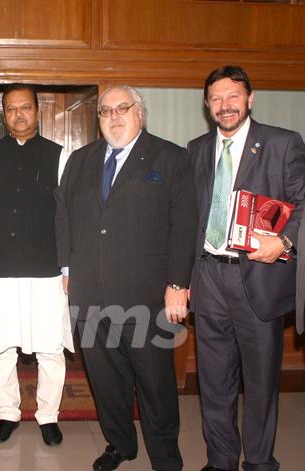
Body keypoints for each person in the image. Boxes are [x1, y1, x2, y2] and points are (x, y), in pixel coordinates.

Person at [55, 85, 197, 471]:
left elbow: (183, 226)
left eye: (123, 108)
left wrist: (177, 284)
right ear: (97, 118)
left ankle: (166, 457)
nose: (114, 116)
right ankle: (120, 443)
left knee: (155, 384)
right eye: (105, 110)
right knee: (106, 382)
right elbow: (63, 215)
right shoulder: (80, 160)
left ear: (141, 113)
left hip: (147, 296)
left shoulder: (170, 158)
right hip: (89, 294)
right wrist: (67, 270)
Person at [188, 65, 305, 471]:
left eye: (233, 96)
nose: (225, 105)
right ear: (207, 105)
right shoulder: (196, 149)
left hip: (256, 277)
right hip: (207, 278)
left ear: (249, 99)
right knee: (214, 383)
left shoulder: (282, 143)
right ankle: (220, 461)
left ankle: (258, 462)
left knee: (259, 385)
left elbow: (303, 204)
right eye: (217, 98)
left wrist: (285, 241)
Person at [0, 83, 73, 446]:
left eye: (25, 108)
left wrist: (69, 268)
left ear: (38, 112)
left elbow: (69, 217)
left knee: (50, 348)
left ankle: (48, 416)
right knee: (0, 346)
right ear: (3, 114)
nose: (18, 114)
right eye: (11, 109)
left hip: (47, 269)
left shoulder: (60, 155)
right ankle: (7, 413)